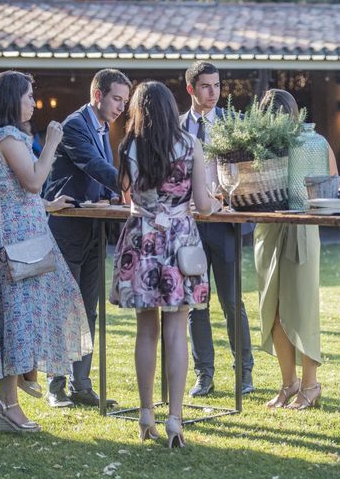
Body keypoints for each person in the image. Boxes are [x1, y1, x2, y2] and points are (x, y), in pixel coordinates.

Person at [109, 81, 220, 447]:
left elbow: (126, 194)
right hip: (178, 241)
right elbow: (203, 204)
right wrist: (215, 205)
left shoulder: (128, 146)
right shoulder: (191, 145)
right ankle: (174, 419)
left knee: (145, 330)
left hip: (141, 238)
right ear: (173, 110)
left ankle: (144, 414)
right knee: (176, 329)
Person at [0, 71, 92, 432]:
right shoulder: (7, 136)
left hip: (25, 240)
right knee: (20, 318)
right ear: (11, 99)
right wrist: (51, 141)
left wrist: (48, 206)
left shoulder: (12, 137)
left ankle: (24, 379)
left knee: (27, 315)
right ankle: (9, 403)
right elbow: (33, 181)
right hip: (17, 247)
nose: (33, 102)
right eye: (28, 95)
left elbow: (13, 193)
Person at [43, 68, 131, 408]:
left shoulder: (103, 125)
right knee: (64, 308)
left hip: (94, 229)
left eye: (125, 100)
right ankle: (55, 386)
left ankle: (81, 384)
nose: (121, 106)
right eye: (116, 99)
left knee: (89, 310)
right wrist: (130, 185)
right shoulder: (75, 124)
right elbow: (93, 165)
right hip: (66, 229)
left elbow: (96, 178)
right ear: (98, 95)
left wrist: (112, 198)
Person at [255, 89, 337, 409]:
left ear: (293, 115)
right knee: (273, 311)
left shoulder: (312, 143)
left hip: (302, 227)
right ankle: (288, 385)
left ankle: (311, 385)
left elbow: (329, 181)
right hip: (268, 228)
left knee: (302, 309)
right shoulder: (259, 147)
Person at [181, 61, 255, 397]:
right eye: (207, 87)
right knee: (197, 302)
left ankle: (244, 372)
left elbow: (251, 173)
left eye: (217, 85)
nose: (214, 93)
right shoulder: (178, 128)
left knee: (231, 301)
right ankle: (204, 374)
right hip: (190, 227)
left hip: (225, 224)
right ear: (191, 90)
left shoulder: (234, 125)